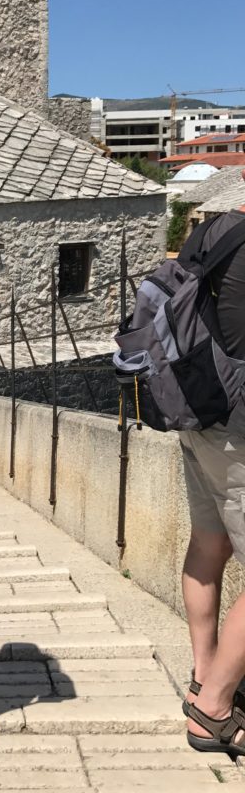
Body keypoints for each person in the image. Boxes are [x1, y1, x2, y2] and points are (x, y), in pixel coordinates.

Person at [181, 204, 245, 759]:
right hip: (240, 426)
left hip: (196, 410)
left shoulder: (211, 230)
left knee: (208, 546)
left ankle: (203, 676)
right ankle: (215, 710)